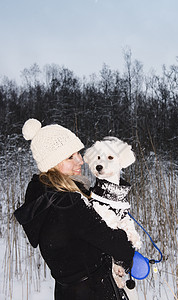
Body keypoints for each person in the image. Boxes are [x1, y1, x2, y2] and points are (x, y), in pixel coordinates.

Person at [14, 118, 134, 300]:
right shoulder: (67, 203)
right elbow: (121, 248)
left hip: (67, 292)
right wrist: (125, 234)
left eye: (78, 153)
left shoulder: (40, 194)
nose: (81, 160)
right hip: (93, 292)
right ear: (52, 162)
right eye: (70, 156)